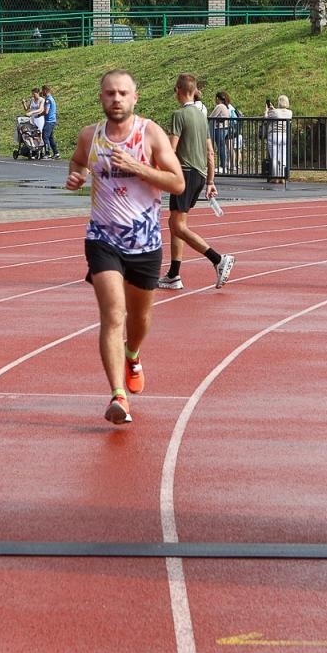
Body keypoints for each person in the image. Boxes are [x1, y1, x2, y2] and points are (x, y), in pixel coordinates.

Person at [64, 69, 185, 426]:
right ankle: (118, 395)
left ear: (135, 97)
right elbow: (76, 161)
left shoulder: (150, 133)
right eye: (109, 93)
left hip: (145, 242)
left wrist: (138, 167)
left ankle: (133, 354)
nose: (115, 99)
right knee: (113, 315)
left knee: (139, 319)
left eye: (122, 93)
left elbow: (177, 182)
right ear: (101, 97)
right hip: (103, 238)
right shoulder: (91, 136)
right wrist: (77, 176)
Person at [159, 74, 236, 291]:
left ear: (178, 91)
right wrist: (210, 181)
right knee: (175, 223)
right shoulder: (202, 116)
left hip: (184, 173)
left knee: (177, 225)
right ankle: (173, 274)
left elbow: (170, 149)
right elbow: (210, 152)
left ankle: (218, 259)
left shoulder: (179, 115)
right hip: (199, 174)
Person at [264, 94, 292, 185]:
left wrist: (267, 110)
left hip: (274, 135)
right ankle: (282, 177)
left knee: (274, 158)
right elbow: (280, 114)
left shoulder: (275, 112)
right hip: (284, 135)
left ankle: (275, 177)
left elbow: (266, 118)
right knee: (283, 157)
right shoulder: (289, 112)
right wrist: (274, 109)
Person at [209, 90, 236, 175]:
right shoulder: (226, 106)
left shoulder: (220, 106)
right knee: (222, 146)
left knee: (221, 147)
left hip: (219, 128)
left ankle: (222, 166)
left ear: (218, 98)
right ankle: (224, 165)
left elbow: (212, 116)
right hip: (225, 128)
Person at [41, 84, 59, 159]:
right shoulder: (51, 98)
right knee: (50, 138)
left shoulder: (48, 100)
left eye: (42, 91)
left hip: (49, 121)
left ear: (45, 90)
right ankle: (56, 153)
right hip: (53, 120)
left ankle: (47, 153)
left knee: (45, 137)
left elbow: (46, 111)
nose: (42, 92)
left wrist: (40, 114)